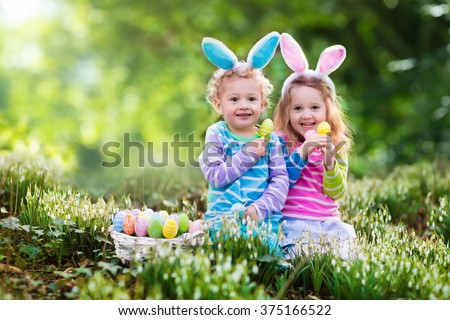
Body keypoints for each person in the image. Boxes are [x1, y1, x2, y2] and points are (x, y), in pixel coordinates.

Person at [198, 32, 289, 249]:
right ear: (219, 105)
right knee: (221, 252)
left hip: (262, 220)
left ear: (263, 104)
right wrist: (248, 154)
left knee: (267, 255)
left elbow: (280, 181)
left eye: (251, 99)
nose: (244, 105)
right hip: (223, 219)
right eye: (234, 99)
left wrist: (259, 209)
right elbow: (215, 176)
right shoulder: (216, 133)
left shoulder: (271, 141)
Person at [273, 33, 356, 258]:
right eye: (298, 108)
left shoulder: (336, 144)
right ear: (286, 112)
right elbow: (278, 184)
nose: (306, 115)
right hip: (292, 220)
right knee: (301, 254)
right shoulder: (280, 141)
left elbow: (336, 193)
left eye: (314, 108)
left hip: (327, 220)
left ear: (328, 111)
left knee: (345, 255)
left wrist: (330, 165)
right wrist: (301, 153)